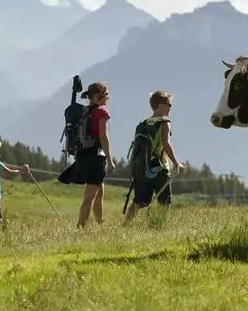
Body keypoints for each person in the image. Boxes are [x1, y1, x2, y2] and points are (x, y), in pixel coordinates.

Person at [57, 82, 115, 227]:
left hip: (83, 156)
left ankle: (100, 223)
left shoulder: (85, 112)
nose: (108, 97)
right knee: (89, 197)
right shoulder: (102, 112)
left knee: (99, 191)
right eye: (106, 94)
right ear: (97, 96)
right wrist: (110, 159)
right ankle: (80, 227)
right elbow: (103, 137)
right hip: (95, 157)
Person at [124, 90, 183, 223]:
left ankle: (125, 225)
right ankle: (160, 227)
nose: (170, 107)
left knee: (138, 201)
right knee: (164, 201)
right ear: (159, 105)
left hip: (142, 169)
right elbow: (166, 144)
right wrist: (176, 163)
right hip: (159, 168)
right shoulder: (164, 122)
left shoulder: (144, 123)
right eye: (169, 104)